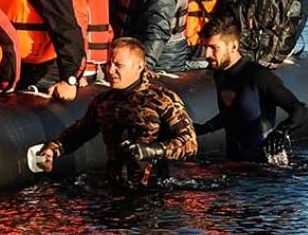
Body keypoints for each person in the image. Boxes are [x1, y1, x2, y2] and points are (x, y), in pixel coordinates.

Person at [37, 38, 197, 188]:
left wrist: (152, 150)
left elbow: (190, 143)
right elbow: (80, 132)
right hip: (114, 187)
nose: (110, 71)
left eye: (118, 65)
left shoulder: (162, 99)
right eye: (108, 64)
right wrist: (53, 149)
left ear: (139, 66)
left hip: (154, 191)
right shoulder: (103, 101)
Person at [194, 18, 307, 163]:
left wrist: (281, 132)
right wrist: (202, 129)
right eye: (205, 47)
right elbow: (234, 114)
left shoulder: (258, 76)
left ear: (233, 46)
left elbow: (299, 109)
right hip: (235, 162)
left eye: (213, 47)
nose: (207, 54)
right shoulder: (220, 74)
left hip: (266, 169)